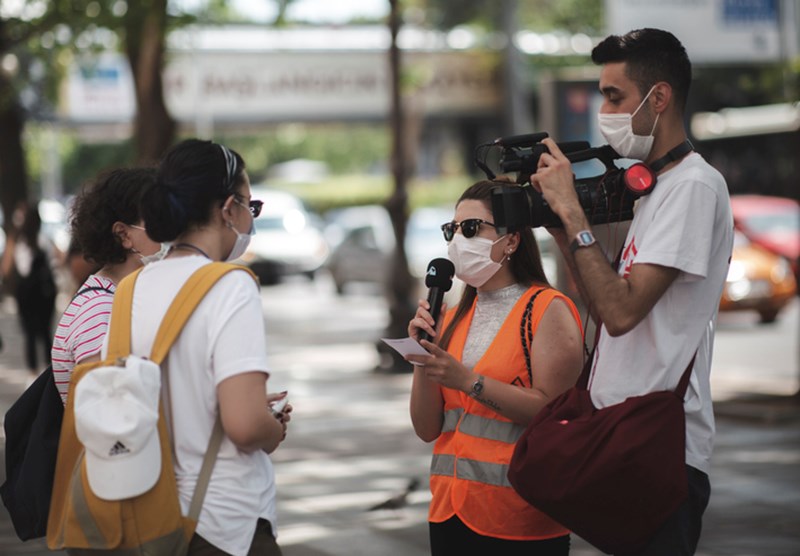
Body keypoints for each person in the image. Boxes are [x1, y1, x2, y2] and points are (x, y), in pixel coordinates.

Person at [530, 28, 734, 555]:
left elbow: (622, 314)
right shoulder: (658, 189)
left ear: (658, 98)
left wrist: (575, 212)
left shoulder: (692, 186)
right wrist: (563, 230)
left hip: (660, 447)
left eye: (614, 95)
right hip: (623, 434)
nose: (605, 108)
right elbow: (605, 302)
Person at [116, 138, 288, 556]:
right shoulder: (230, 286)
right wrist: (274, 426)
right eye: (251, 205)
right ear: (228, 208)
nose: (250, 217)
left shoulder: (130, 288)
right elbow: (245, 426)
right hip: (224, 524)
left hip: (145, 515)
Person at [406, 180, 584, 555]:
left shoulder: (545, 308)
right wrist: (424, 355)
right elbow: (427, 428)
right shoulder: (452, 316)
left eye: (471, 228)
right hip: (449, 511)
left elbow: (554, 412)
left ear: (512, 240)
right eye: (451, 230)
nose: (458, 240)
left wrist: (469, 381)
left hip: (518, 519)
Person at [51, 167, 163, 404]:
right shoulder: (100, 309)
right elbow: (106, 412)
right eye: (160, 221)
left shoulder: (122, 296)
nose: (171, 233)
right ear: (123, 234)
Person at [0, 202, 57, 375]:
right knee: (46, 332)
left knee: (30, 333)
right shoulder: (44, 238)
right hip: (45, 291)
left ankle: (32, 373)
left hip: (26, 292)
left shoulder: (16, 240)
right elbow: (58, 259)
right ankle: (50, 372)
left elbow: (6, 268)